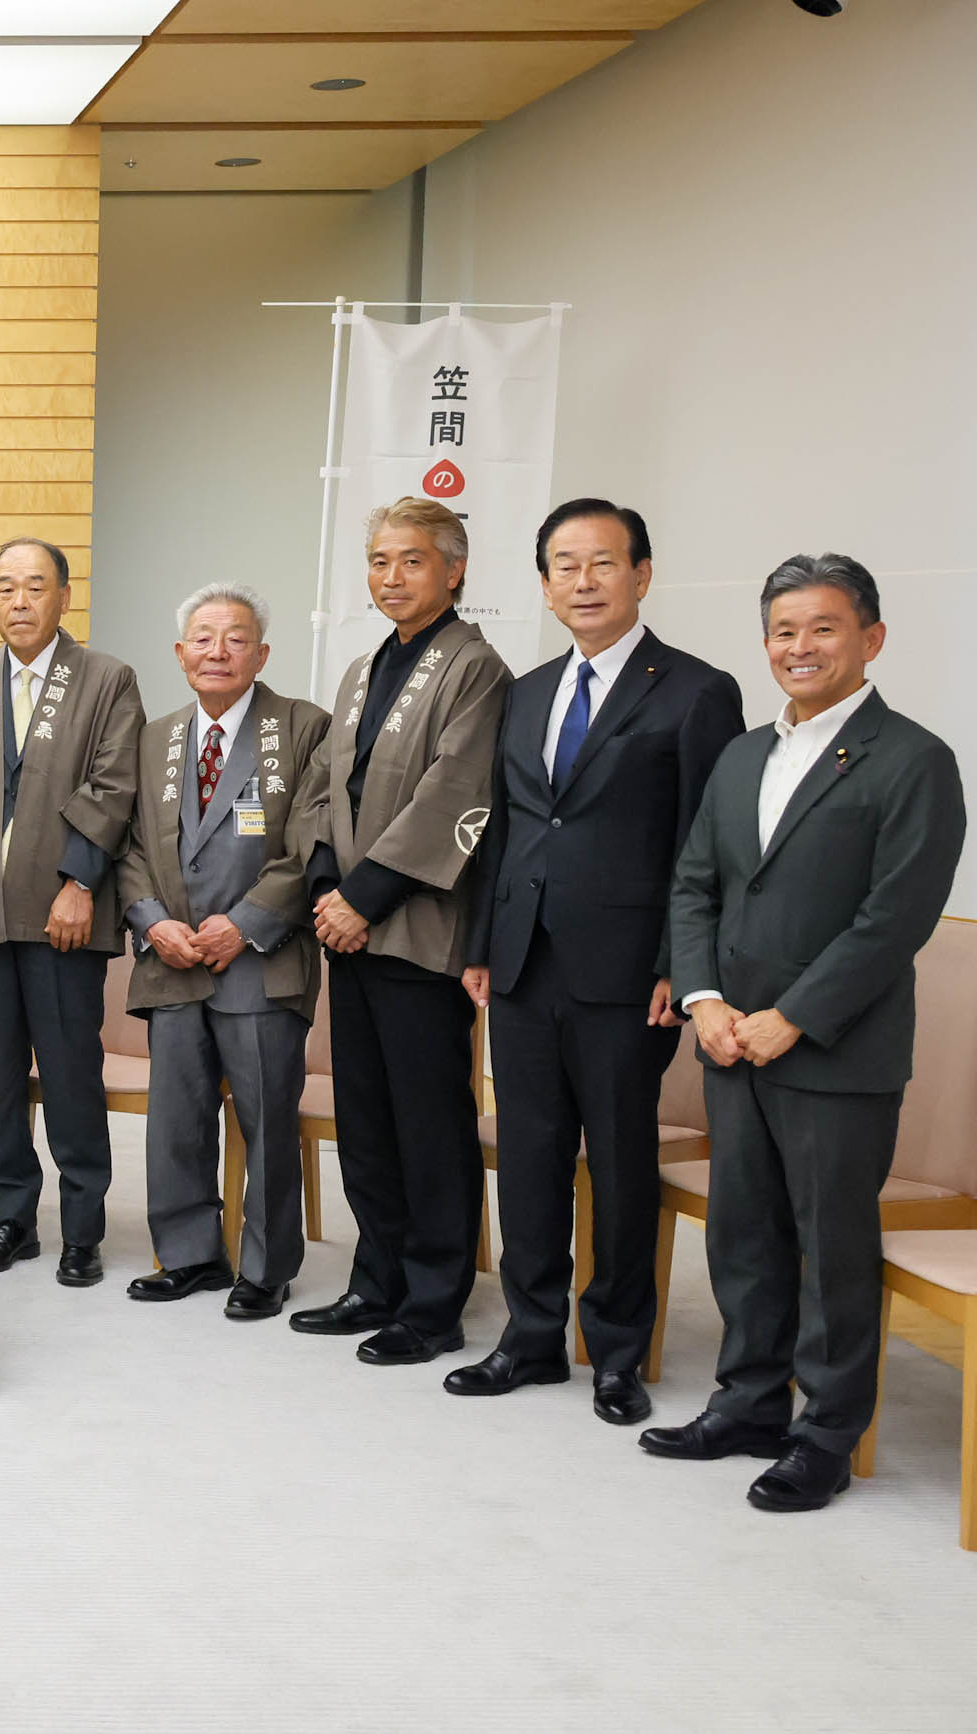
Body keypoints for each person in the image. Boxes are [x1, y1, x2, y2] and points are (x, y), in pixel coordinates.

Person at [647, 555, 963, 1513]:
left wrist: (796, 1017)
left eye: (823, 627)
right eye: (783, 630)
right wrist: (703, 1001)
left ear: (870, 638)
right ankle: (746, 1403)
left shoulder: (914, 759)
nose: (800, 647)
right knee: (745, 1236)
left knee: (829, 1248)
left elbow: (894, 917)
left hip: (835, 1053)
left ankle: (825, 1433)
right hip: (731, 1040)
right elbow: (695, 882)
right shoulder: (743, 754)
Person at [454, 501, 742, 1422]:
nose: (583, 582)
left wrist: (681, 964)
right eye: (564, 567)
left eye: (602, 564)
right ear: (543, 585)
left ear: (642, 574)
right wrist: (480, 947)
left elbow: (711, 846)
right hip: (524, 963)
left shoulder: (697, 691)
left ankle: (616, 1351)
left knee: (618, 1162)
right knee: (531, 1156)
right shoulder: (528, 690)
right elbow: (503, 827)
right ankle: (531, 1338)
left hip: (632, 975)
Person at [291, 497, 509, 1364]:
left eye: (412, 561)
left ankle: (432, 1301)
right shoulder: (359, 670)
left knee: (429, 1119)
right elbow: (321, 787)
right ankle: (373, 1278)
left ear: (454, 570)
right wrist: (322, 887)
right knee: (368, 1116)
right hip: (347, 928)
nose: (391, 577)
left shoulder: (476, 670)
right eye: (380, 561)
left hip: (416, 930)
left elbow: (455, 795)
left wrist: (364, 896)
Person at [0, 536, 144, 1288]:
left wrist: (80, 881)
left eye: (36, 588)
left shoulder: (107, 680)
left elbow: (115, 786)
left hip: (63, 914)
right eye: (7, 589)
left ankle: (83, 1228)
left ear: (63, 597)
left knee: (73, 1074)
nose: (21, 602)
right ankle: (11, 1215)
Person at [117, 584, 330, 1319]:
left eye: (235, 638)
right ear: (180, 654)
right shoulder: (152, 738)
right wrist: (151, 922)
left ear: (262, 653)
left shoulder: (303, 729)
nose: (217, 651)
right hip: (170, 959)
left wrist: (244, 922)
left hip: (260, 963)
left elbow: (313, 848)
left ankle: (267, 1269)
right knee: (175, 1118)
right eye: (202, 638)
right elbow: (130, 844)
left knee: (267, 1121)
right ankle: (189, 1256)